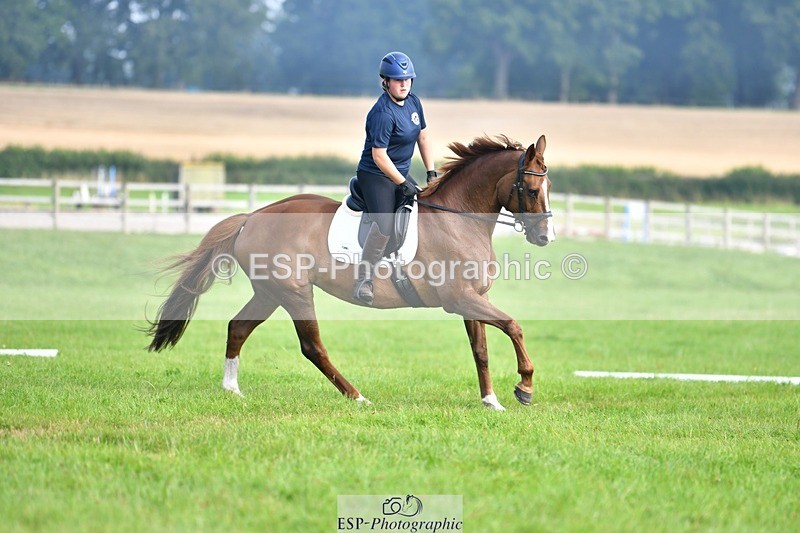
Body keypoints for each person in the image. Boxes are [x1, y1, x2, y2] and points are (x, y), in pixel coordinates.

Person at [353, 51, 437, 305]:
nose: (403, 84)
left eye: (407, 79)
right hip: (375, 174)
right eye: (397, 80)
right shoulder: (382, 113)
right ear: (385, 82)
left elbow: (422, 137)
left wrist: (431, 172)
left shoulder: (414, 103)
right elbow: (379, 156)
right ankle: (363, 279)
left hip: (399, 170)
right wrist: (403, 183)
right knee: (386, 224)